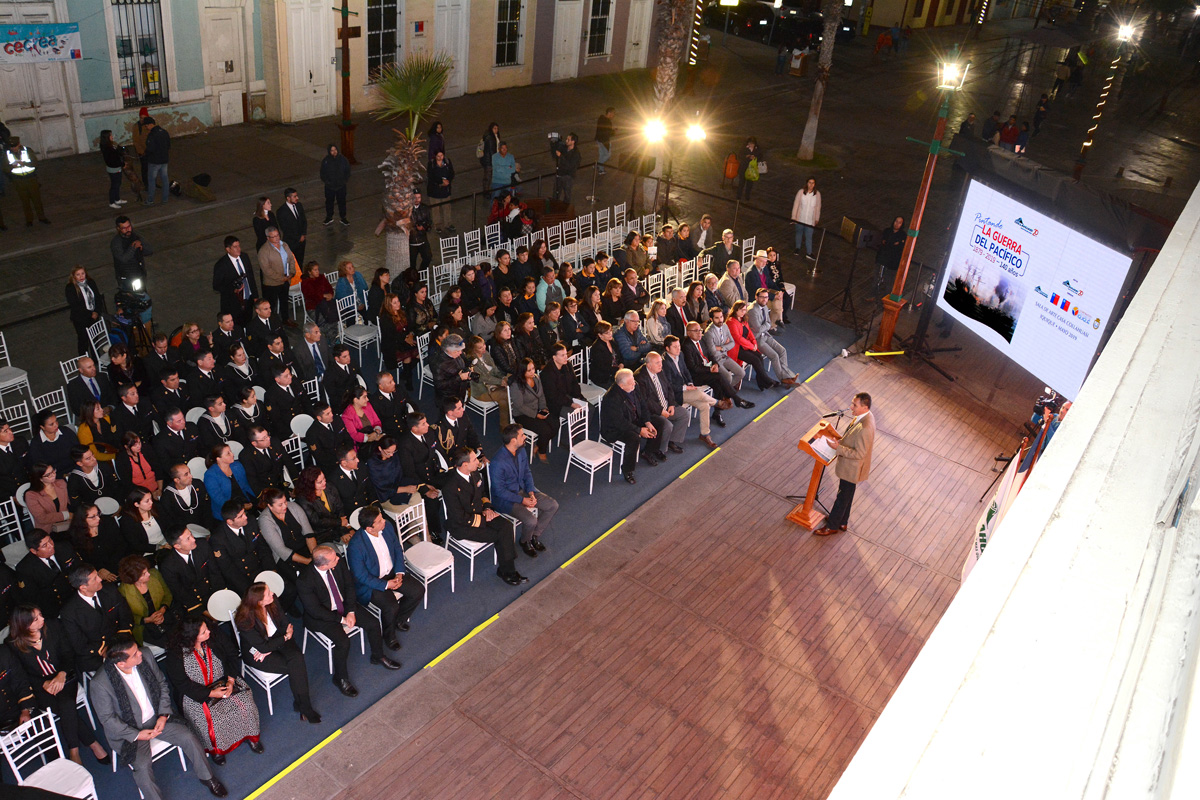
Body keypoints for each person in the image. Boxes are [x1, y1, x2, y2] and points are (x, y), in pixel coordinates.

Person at [90, 635, 229, 799]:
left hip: (158, 719)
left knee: (189, 737)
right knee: (141, 767)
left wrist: (163, 715)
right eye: (134, 654)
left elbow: (162, 684)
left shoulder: (146, 655)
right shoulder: (100, 683)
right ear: (121, 663)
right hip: (131, 732)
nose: (140, 654)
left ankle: (208, 778)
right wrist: (137, 734)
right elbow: (107, 719)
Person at [7, 604, 111, 766]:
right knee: (66, 707)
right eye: (36, 619)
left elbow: (68, 654)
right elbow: (23, 674)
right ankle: (92, 743)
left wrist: (61, 674)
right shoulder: (13, 645)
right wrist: (44, 683)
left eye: (41, 614)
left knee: (66, 703)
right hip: (41, 686)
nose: (42, 619)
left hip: (65, 676)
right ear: (24, 625)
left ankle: (74, 750)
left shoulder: (54, 626)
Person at [299, 544, 401, 698]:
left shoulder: (338, 565)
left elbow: (349, 586)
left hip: (345, 607)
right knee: (343, 642)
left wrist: (351, 611)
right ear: (324, 565)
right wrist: (342, 620)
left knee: (373, 623)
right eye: (334, 559)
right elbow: (315, 610)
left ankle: (378, 655)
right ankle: (340, 678)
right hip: (323, 617)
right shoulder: (305, 581)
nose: (338, 559)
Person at [163, 617, 262, 765]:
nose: (208, 631)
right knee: (212, 720)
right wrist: (210, 694)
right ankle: (217, 749)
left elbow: (231, 655)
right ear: (192, 637)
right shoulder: (175, 654)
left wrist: (230, 681)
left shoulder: (214, 635)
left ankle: (251, 736)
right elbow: (182, 684)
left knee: (246, 704)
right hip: (196, 692)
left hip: (224, 680)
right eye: (203, 632)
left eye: (206, 628)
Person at [234, 582, 319, 722]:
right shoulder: (244, 621)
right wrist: (284, 638)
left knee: (297, 658)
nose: (272, 593)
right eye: (268, 594)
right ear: (259, 602)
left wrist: (281, 638)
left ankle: (303, 705)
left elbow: (284, 622)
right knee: (296, 667)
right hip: (257, 653)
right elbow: (263, 647)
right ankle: (305, 707)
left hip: (278, 639)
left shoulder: (273, 601)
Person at [443, 447, 525, 585]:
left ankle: (507, 568)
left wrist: (487, 508)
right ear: (465, 465)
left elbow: (483, 494)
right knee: (499, 535)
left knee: (506, 526)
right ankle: (507, 571)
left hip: (481, 513)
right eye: (474, 459)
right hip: (463, 526)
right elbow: (459, 517)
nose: (478, 462)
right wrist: (483, 519)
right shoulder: (450, 487)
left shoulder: (475, 474)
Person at [345, 506, 423, 651]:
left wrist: (399, 573)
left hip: (392, 573)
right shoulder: (356, 546)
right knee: (391, 606)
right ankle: (389, 636)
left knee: (418, 590)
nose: (384, 522)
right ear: (369, 528)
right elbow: (361, 576)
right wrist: (386, 585)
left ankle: (399, 620)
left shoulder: (386, 528)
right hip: (373, 583)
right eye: (379, 521)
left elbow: (397, 549)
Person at [490, 425, 559, 558]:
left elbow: (527, 473)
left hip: (524, 490)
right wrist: (522, 500)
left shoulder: (521, 451)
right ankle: (524, 541)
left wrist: (531, 492)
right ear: (513, 440)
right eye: (522, 435)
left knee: (552, 505)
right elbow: (499, 491)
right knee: (531, 521)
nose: (525, 437)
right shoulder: (498, 462)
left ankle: (534, 535)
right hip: (507, 499)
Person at [814, 392, 876, 536]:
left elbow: (859, 453)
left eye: (854, 405)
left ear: (865, 407)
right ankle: (842, 521)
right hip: (851, 468)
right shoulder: (864, 417)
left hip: (852, 468)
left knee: (842, 497)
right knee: (847, 494)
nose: (851, 407)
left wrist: (838, 448)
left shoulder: (865, 427)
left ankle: (832, 526)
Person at [60, 564, 133, 673]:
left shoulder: (110, 590)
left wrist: (119, 644)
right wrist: (105, 650)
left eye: (98, 575)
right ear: (83, 587)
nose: (100, 579)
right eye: (95, 578)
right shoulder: (69, 612)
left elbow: (126, 618)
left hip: (120, 641)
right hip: (95, 655)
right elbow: (79, 645)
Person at [601, 368, 665, 483]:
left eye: (633, 381)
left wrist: (647, 422)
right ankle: (627, 470)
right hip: (615, 428)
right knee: (634, 438)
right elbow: (620, 422)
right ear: (621, 386)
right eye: (630, 384)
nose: (634, 385)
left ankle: (648, 451)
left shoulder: (634, 385)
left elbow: (643, 405)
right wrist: (639, 430)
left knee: (659, 422)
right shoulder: (611, 398)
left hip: (633, 418)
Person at [210, 502, 281, 600]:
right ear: (230, 522)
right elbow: (228, 569)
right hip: (243, 578)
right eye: (240, 516)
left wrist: (271, 569)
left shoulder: (251, 521)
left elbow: (262, 547)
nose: (245, 517)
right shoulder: (218, 539)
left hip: (260, 568)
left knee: (288, 590)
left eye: (244, 513)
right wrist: (249, 588)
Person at [662, 335, 720, 448]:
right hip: (675, 394)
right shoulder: (665, 363)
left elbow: (686, 371)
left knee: (705, 406)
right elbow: (668, 386)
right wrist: (685, 388)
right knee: (699, 394)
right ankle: (717, 403)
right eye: (675, 347)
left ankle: (705, 434)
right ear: (667, 348)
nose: (678, 349)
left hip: (686, 389)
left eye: (679, 346)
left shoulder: (680, 355)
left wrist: (689, 383)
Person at [634, 352, 688, 459]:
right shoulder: (640, 377)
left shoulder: (659, 370)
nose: (661, 365)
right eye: (657, 363)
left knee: (684, 414)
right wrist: (661, 411)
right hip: (651, 411)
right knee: (667, 425)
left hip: (666, 406)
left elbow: (669, 388)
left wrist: (671, 404)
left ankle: (671, 441)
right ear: (649, 365)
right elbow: (645, 401)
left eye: (660, 362)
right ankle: (656, 450)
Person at [15, 529, 80, 616]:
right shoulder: (25, 568)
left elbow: (80, 568)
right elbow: (33, 599)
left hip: (76, 596)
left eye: (50, 540)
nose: (51, 546)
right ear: (34, 551)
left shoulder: (64, 547)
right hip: (54, 609)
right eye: (44, 545)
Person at [116, 554, 176, 648]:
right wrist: (148, 620)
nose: (148, 574)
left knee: (180, 636)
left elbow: (167, 594)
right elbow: (127, 616)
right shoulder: (123, 591)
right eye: (144, 574)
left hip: (165, 615)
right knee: (169, 644)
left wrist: (162, 611)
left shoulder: (154, 574)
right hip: (144, 626)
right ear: (134, 578)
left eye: (147, 570)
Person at [726, 301, 784, 390]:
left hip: (746, 346)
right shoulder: (731, 322)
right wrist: (751, 346)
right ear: (736, 310)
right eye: (741, 310)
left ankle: (761, 382)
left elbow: (749, 333)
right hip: (736, 349)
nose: (743, 312)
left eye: (745, 310)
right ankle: (768, 380)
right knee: (755, 360)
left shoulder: (743, 319)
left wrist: (754, 343)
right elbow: (738, 338)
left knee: (759, 356)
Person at [743, 292, 798, 385]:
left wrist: (765, 326)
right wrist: (766, 325)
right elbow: (758, 328)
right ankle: (784, 378)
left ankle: (786, 376)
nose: (764, 299)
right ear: (756, 297)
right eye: (762, 297)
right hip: (757, 339)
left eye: (766, 297)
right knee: (774, 356)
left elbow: (768, 323)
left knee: (782, 351)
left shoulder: (764, 306)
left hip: (765, 335)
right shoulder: (752, 310)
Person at [511, 358, 553, 462]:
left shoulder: (536, 378)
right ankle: (541, 451)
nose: (532, 372)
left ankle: (538, 445)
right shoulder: (516, 385)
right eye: (529, 370)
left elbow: (541, 395)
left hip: (537, 409)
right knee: (545, 429)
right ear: (522, 371)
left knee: (555, 423)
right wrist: (536, 415)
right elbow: (519, 406)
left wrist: (544, 408)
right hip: (522, 415)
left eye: (533, 368)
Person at [70, 503, 125, 581]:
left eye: (98, 514)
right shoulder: (76, 535)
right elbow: (84, 558)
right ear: (82, 519)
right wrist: (99, 570)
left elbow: (121, 547)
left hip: (117, 565)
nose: (98, 518)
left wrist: (109, 569)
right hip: (95, 572)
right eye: (93, 517)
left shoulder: (109, 523)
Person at [257, 227, 299, 325]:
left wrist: (291, 272)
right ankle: (272, 323)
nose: (276, 238)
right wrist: (281, 278)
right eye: (273, 237)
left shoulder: (284, 245)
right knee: (271, 305)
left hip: (285, 279)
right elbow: (267, 270)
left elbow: (291, 259)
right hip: (272, 283)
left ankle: (285, 319)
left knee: (284, 301)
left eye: (277, 235)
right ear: (268, 238)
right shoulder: (264, 251)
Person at [204, 443, 254, 518]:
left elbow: (247, 485)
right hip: (228, 510)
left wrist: (256, 498)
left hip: (244, 500)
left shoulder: (237, 465)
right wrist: (241, 507)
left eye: (231, 451)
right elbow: (219, 499)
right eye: (228, 453)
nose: (232, 454)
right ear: (218, 459)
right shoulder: (210, 475)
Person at [66, 265, 104, 357]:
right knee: (83, 340)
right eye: (78, 274)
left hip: (93, 317)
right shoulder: (70, 288)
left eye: (82, 273)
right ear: (74, 276)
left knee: (94, 338)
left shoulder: (90, 282)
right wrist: (90, 314)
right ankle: (84, 359)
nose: (81, 276)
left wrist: (96, 311)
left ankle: (96, 358)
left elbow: (97, 298)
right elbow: (75, 305)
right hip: (81, 319)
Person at [28, 410, 79, 475]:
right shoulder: (36, 444)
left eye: (56, 421)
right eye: (51, 424)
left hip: (75, 469)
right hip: (54, 476)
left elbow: (78, 450)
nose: (56, 425)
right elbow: (41, 468)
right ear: (42, 427)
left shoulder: (66, 431)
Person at [25, 462, 71, 533]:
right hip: (48, 529)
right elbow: (42, 518)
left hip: (67, 525)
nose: (53, 475)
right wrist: (66, 515)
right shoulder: (31, 495)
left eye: (53, 471)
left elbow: (70, 502)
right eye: (48, 475)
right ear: (40, 478)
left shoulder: (61, 483)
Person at [320, 144, 351, 226]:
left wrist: (344, 181)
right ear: (329, 152)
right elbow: (322, 173)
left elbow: (347, 171)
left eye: (335, 150)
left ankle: (343, 218)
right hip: (330, 187)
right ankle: (329, 217)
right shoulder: (326, 161)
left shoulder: (343, 160)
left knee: (342, 202)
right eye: (332, 150)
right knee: (329, 202)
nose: (334, 152)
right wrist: (327, 182)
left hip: (341, 186)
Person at [874, 216, 906, 296]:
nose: (897, 224)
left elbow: (899, 247)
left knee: (889, 280)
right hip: (882, 257)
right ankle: (873, 294)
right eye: (896, 221)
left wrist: (892, 244)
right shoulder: (887, 231)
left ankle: (886, 296)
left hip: (893, 261)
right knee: (876, 276)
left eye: (899, 223)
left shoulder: (902, 235)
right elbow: (883, 242)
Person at [141, 118, 170, 206]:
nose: (146, 128)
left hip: (154, 161)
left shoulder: (152, 135)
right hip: (164, 160)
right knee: (165, 180)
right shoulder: (164, 132)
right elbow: (169, 145)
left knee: (151, 181)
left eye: (146, 126)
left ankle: (150, 200)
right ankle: (165, 199)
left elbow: (150, 148)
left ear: (150, 124)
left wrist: (145, 153)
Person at [791, 177, 821, 259]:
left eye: (813, 183)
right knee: (799, 233)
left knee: (809, 236)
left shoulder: (817, 194)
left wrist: (816, 218)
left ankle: (809, 252)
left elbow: (818, 207)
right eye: (809, 182)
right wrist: (794, 217)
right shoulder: (801, 192)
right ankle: (797, 248)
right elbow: (796, 204)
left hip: (810, 220)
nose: (811, 185)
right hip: (800, 218)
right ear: (807, 183)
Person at [427, 150, 455, 233]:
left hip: (445, 190)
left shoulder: (447, 162)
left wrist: (448, 181)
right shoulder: (431, 164)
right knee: (436, 209)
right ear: (435, 156)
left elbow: (451, 173)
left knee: (447, 207)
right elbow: (431, 176)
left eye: (441, 155)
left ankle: (448, 224)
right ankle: (437, 225)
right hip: (434, 191)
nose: (440, 158)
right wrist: (441, 181)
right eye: (438, 156)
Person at [100, 129, 127, 208]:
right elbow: (113, 160)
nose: (112, 137)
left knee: (118, 184)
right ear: (107, 137)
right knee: (114, 185)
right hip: (114, 169)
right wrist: (122, 164)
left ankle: (117, 199)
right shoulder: (108, 148)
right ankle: (112, 202)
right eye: (111, 135)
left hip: (116, 168)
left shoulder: (110, 145)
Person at [551, 133, 581, 203]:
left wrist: (561, 156)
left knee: (567, 194)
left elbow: (570, 165)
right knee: (555, 193)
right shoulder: (564, 148)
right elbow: (554, 155)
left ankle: (565, 209)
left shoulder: (576, 154)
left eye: (568, 139)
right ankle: (554, 206)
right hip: (560, 173)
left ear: (573, 142)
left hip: (568, 176)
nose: (566, 141)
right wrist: (553, 144)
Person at [409, 189, 434, 273]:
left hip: (422, 239)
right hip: (411, 241)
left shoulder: (425, 208)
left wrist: (424, 227)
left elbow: (429, 221)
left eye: (419, 197)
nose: (417, 200)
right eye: (415, 197)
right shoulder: (408, 209)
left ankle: (421, 273)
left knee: (428, 257)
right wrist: (415, 227)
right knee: (412, 262)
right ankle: (413, 277)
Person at [736, 137, 762, 201]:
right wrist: (746, 156)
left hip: (752, 169)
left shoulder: (757, 149)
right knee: (741, 182)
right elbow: (739, 155)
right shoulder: (744, 147)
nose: (751, 145)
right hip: (743, 168)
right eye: (750, 143)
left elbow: (761, 156)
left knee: (750, 184)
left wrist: (755, 157)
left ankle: (747, 196)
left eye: (752, 144)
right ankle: (739, 195)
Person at [480, 122, 501, 190]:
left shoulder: (495, 135)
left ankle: (488, 189)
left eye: (497, 128)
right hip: (489, 160)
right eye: (494, 128)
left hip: (491, 159)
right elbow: (491, 150)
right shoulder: (490, 138)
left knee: (490, 175)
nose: (496, 130)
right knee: (488, 176)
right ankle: (486, 191)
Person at [595, 107, 615, 174]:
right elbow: (608, 133)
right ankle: (598, 165)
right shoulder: (608, 122)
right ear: (609, 113)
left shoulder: (601, 118)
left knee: (602, 154)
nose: (613, 115)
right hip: (604, 141)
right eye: (613, 113)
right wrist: (614, 131)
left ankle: (600, 168)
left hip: (598, 139)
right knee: (607, 155)